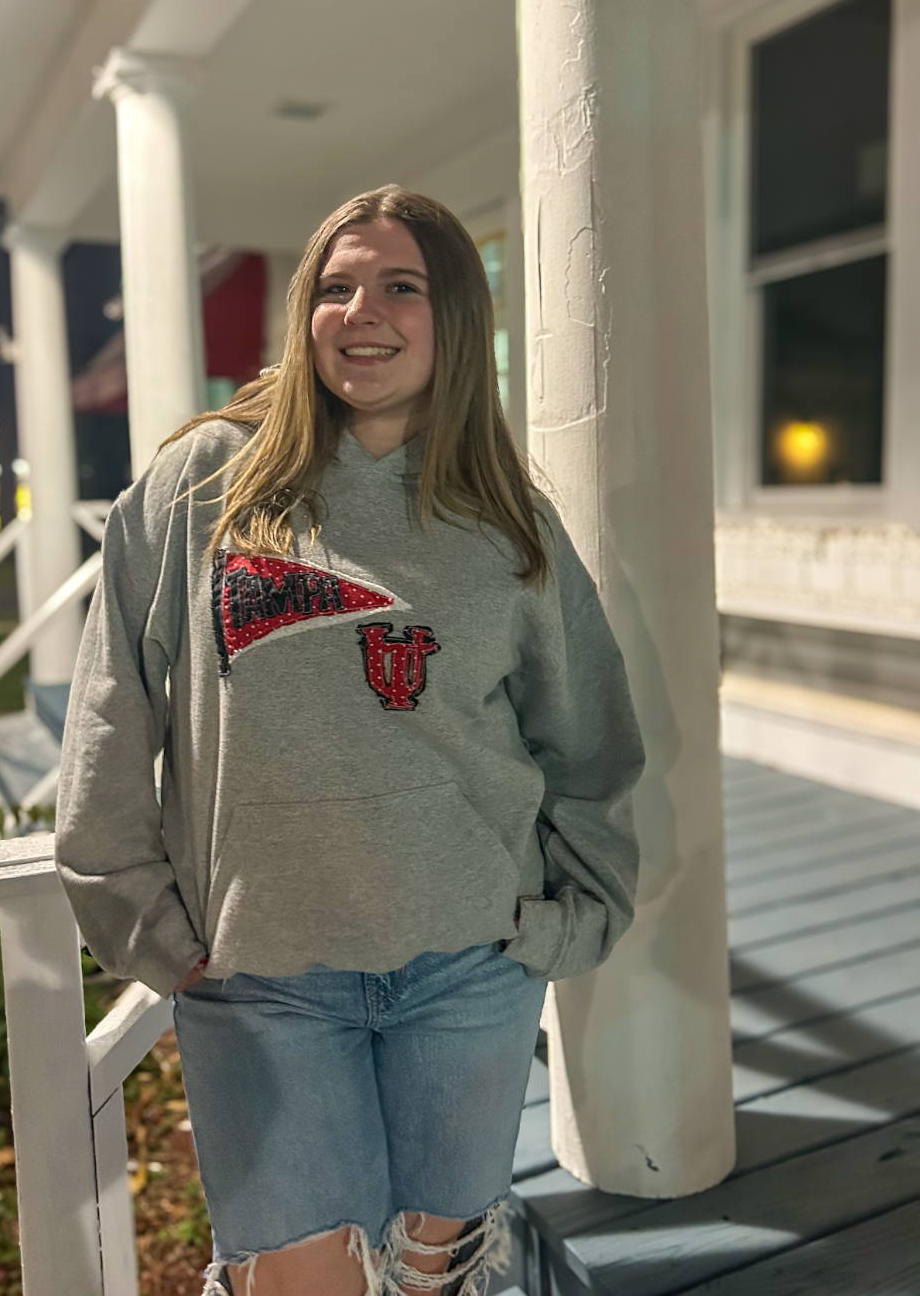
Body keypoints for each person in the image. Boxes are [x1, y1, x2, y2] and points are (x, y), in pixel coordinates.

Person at [55, 186, 645, 1296]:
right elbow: (109, 707)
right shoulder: (205, 486)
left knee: (435, 1273)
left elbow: (588, 739)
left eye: (399, 285)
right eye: (334, 286)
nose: (359, 310)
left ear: (456, 315)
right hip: (262, 972)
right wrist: (138, 913)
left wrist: (576, 913)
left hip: (470, 966)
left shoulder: (507, 513)